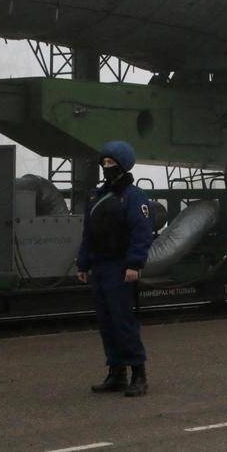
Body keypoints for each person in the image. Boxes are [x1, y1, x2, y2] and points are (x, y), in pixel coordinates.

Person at [75, 140, 154, 397]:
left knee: (123, 321)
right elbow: (89, 233)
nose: (106, 167)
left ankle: (138, 373)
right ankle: (116, 371)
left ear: (122, 165)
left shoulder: (133, 197)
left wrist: (134, 264)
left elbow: (141, 232)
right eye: (104, 163)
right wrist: (83, 262)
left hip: (120, 268)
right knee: (106, 322)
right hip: (100, 266)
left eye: (111, 163)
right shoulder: (97, 196)